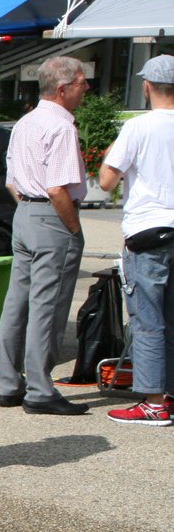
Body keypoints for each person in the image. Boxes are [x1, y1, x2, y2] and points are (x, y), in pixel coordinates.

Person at [0, 55, 91, 416]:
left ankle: (9, 382)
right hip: (51, 215)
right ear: (63, 89)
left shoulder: (24, 122)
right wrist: (72, 227)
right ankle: (39, 387)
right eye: (82, 82)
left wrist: (30, 208)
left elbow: (11, 180)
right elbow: (57, 188)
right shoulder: (61, 127)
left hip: (25, 213)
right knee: (47, 304)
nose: (86, 88)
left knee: (17, 300)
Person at [97, 54, 174, 427]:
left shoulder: (139, 127)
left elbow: (108, 180)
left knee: (148, 319)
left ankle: (154, 401)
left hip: (148, 230)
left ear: (146, 87)